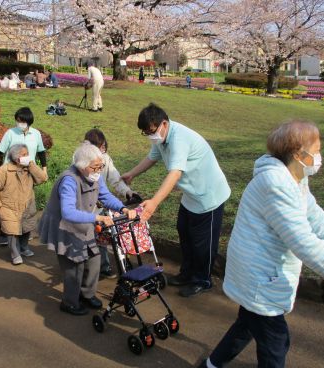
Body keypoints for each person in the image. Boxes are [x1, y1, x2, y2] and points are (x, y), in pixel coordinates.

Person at [197, 120, 324, 368]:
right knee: (276, 344)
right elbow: (306, 243)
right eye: (317, 150)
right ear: (299, 155)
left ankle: (210, 367)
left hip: (259, 273)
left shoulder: (294, 178)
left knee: (247, 324)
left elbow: (319, 222)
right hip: (259, 279)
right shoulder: (276, 184)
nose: (320, 157)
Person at [122, 103, 231, 298]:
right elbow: (151, 158)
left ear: (163, 123)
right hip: (191, 195)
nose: (150, 136)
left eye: (151, 131)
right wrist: (131, 174)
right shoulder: (162, 138)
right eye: (146, 133)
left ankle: (202, 280)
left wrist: (154, 202)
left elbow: (175, 174)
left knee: (203, 243)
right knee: (185, 232)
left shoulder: (179, 139)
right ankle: (187, 273)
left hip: (208, 196)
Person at [38, 142, 136, 316]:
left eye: (101, 166)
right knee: (74, 265)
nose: (98, 170)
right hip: (64, 225)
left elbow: (105, 196)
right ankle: (69, 302)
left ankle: (87, 294)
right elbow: (68, 212)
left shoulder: (95, 176)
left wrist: (122, 208)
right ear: (82, 167)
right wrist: (97, 217)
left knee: (93, 258)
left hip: (84, 221)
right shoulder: (69, 180)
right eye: (95, 167)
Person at [0, 107, 48, 245]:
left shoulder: (36, 134)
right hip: (10, 173)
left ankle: (23, 233)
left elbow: (41, 152)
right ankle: (5, 235)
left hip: (27, 173)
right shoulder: (10, 133)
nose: (19, 124)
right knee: (7, 204)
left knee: (25, 203)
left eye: (21, 121)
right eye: (17, 121)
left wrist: (44, 169)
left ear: (28, 121)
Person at [84, 128, 141, 279]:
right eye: (99, 147)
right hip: (85, 208)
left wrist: (127, 192)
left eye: (103, 147)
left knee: (103, 235)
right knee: (88, 237)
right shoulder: (81, 160)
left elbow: (114, 179)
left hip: (100, 205)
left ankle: (104, 266)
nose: (102, 150)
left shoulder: (105, 159)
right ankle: (86, 266)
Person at [0, 144, 47, 265]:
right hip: (9, 206)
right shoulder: (2, 171)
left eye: (27, 154)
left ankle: (24, 248)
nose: (27, 156)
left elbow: (43, 178)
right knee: (12, 232)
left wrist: (31, 164)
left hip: (27, 205)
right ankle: (15, 254)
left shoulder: (29, 168)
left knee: (26, 228)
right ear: (15, 157)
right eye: (24, 155)